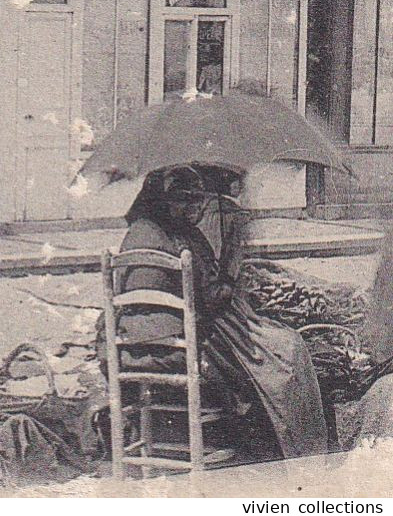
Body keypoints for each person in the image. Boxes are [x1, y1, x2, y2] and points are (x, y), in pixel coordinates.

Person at [103, 165, 328, 461]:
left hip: (123, 348)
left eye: (197, 201)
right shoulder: (181, 241)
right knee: (285, 351)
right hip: (176, 347)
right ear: (163, 203)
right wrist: (229, 274)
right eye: (184, 201)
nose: (193, 208)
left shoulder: (137, 233)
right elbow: (210, 301)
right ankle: (288, 449)